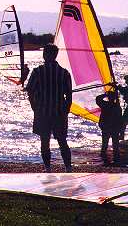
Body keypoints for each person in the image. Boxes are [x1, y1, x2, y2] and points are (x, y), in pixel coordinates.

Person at [26, 44, 73, 173]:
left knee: (44, 141)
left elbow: (29, 90)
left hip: (42, 112)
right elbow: (69, 94)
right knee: (62, 141)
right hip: (59, 112)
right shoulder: (64, 73)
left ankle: (48, 168)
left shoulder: (37, 71)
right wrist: (66, 109)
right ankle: (68, 168)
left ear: (45, 55)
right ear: (55, 55)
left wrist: (33, 106)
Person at [96, 91, 122, 165]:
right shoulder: (117, 106)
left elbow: (98, 98)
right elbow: (120, 119)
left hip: (109, 127)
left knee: (105, 145)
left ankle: (105, 160)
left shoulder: (105, 104)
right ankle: (115, 160)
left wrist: (105, 94)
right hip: (112, 128)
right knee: (115, 145)